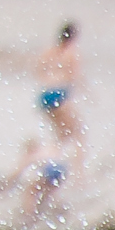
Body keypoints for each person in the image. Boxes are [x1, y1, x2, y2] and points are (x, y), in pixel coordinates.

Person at [35, 22, 85, 150]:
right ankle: (78, 169)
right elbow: (74, 77)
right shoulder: (71, 53)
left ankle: (50, 160)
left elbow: (38, 71)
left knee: (59, 134)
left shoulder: (49, 51)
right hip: (59, 93)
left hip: (45, 95)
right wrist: (89, 94)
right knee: (78, 132)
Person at [10, 137, 69, 226]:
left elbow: (17, 172)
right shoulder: (45, 149)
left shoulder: (31, 155)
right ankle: (57, 212)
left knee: (31, 192)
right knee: (47, 192)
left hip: (50, 169)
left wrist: (5, 185)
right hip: (60, 169)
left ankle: (29, 216)